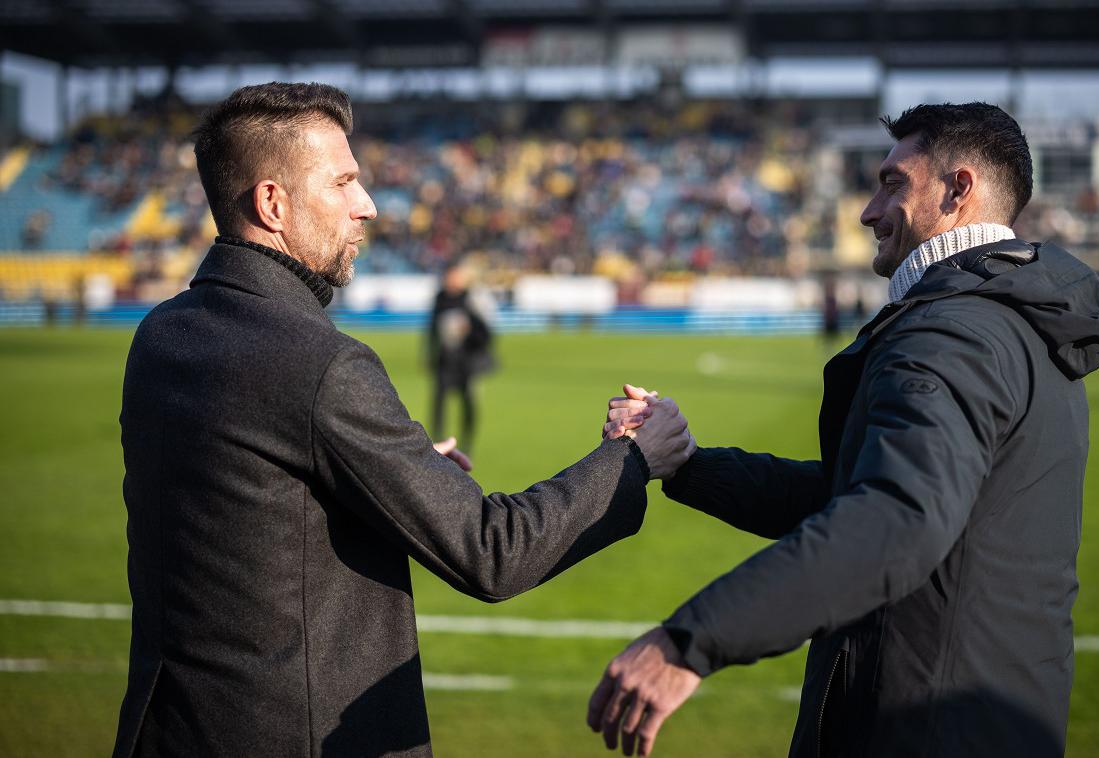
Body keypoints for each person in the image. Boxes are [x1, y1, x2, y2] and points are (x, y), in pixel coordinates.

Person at [114, 82, 695, 758]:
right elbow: (491, 550)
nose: (369, 206)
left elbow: (247, 508)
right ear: (273, 203)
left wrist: (380, 482)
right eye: (344, 182)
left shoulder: (161, 335)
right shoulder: (320, 364)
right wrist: (633, 457)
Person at [590, 103, 1099, 757]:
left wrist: (688, 641)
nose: (869, 212)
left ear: (959, 189)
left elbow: (895, 518)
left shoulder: (954, 331)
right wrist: (690, 462)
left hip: (924, 729)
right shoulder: (1012, 321)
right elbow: (863, 493)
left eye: (892, 183)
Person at [428, 262, 492, 453]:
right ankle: (437, 442)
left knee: (468, 404)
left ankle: (466, 443)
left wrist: (469, 331)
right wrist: (430, 353)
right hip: (445, 360)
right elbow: (432, 329)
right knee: (439, 404)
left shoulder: (471, 300)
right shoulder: (440, 299)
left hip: (467, 362)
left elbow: (486, 334)